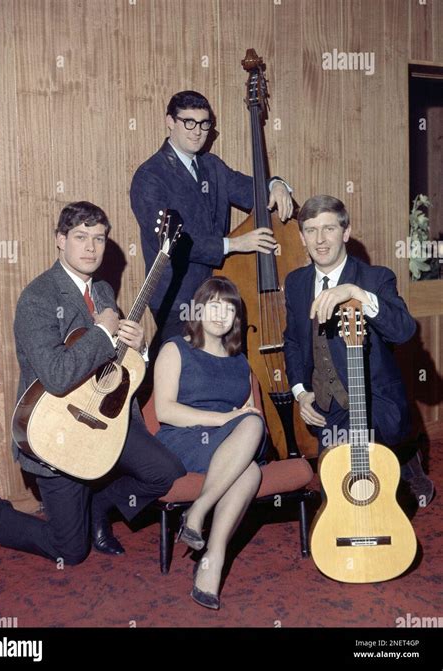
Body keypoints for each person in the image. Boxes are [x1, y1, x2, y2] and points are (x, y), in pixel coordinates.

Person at [0, 201, 185, 564]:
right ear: (60, 240)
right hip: (56, 430)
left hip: (104, 419)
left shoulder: (102, 291)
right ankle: (0, 512)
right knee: (70, 551)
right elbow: (56, 375)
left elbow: (116, 366)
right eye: (80, 237)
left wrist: (140, 348)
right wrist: (104, 330)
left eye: (99, 239)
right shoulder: (37, 298)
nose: (91, 247)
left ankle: (98, 508)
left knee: (166, 473)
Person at [283, 194, 434, 502]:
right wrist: (301, 394)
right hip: (328, 405)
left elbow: (404, 330)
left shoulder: (375, 278)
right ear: (301, 237)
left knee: (359, 482)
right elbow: (294, 342)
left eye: (329, 228)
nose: (320, 239)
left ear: (346, 232)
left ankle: (405, 457)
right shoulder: (296, 282)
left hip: (375, 401)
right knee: (336, 491)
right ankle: (404, 456)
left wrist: (355, 293)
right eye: (311, 230)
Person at [130, 89, 294, 344]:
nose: (197, 131)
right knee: (187, 374)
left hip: (217, 293)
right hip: (178, 298)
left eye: (204, 124)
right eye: (189, 122)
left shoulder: (212, 166)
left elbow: (251, 191)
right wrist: (235, 244)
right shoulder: (149, 176)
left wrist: (276, 184)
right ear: (170, 122)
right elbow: (169, 242)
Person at [154, 277, 267, 610]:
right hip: (185, 439)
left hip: (233, 444)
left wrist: (239, 421)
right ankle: (201, 515)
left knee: (250, 468)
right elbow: (165, 410)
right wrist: (225, 420)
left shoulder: (240, 361)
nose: (221, 315)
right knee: (249, 434)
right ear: (198, 309)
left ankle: (211, 558)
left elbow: (247, 414)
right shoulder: (176, 347)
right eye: (214, 305)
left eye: (230, 308)